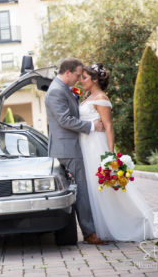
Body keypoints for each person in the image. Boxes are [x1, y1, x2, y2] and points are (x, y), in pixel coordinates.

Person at [79, 63, 155, 241]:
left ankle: (136, 223)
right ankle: (101, 226)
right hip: (85, 145)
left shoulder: (102, 98)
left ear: (95, 79)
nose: (81, 81)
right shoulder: (87, 97)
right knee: (94, 188)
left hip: (96, 146)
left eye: (84, 77)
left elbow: (109, 127)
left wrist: (110, 156)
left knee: (108, 188)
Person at [45, 57, 107, 245]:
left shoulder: (63, 89)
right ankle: (89, 233)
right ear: (68, 73)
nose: (79, 79)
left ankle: (89, 230)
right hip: (67, 148)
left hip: (70, 146)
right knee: (82, 190)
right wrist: (91, 126)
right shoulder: (56, 91)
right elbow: (65, 120)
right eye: (78, 75)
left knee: (81, 188)